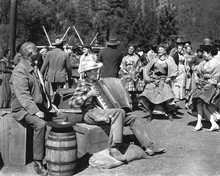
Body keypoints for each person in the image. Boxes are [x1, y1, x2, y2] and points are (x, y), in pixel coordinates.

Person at [69, 59, 165, 161]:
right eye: (93, 70)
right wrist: (88, 95)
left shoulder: (100, 83)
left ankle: (148, 146)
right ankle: (114, 148)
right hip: (90, 113)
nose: (96, 71)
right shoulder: (83, 84)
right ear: (86, 73)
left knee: (132, 117)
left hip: (103, 112)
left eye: (96, 69)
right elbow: (72, 103)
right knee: (119, 112)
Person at [10, 42, 67, 176]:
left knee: (62, 117)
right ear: (30, 54)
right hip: (23, 109)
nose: (39, 52)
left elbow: (41, 91)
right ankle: (38, 161)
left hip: (39, 106)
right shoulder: (20, 70)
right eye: (36, 51)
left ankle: (53, 151)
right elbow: (23, 96)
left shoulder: (33, 67)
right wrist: (36, 111)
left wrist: (50, 106)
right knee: (40, 124)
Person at [138, 43, 178, 121]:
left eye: (161, 50)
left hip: (163, 80)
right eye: (158, 50)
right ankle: (150, 114)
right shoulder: (154, 60)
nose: (159, 51)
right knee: (148, 94)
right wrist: (148, 78)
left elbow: (175, 70)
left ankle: (169, 113)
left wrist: (169, 78)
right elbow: (146, 68)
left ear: (165, 51)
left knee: (166, 97)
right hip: (154, 79)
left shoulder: (169, 60)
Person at [187, 44, 220, 132]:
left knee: (201, 102)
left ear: (210, 53)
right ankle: (210, 124)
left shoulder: (216, 62)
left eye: (205, 53)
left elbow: (217, 76)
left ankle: (201, 124)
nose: (204, 54)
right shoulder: (204, 61)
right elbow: (196, 69)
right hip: (202, 84)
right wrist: (197, 75)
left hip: (210, 85)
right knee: (200, 104)